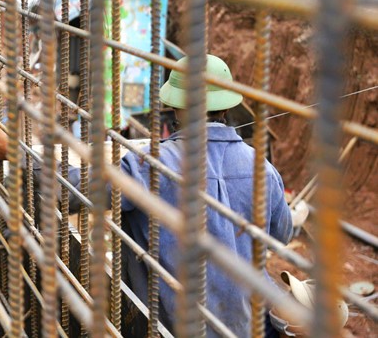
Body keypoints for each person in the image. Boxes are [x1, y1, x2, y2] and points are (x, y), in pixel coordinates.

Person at [118, 54, 293, 338]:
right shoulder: (262, 168)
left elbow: (86, 191)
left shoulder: (147, 164)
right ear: (226, 105)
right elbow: (282, 235)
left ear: (175, 106)